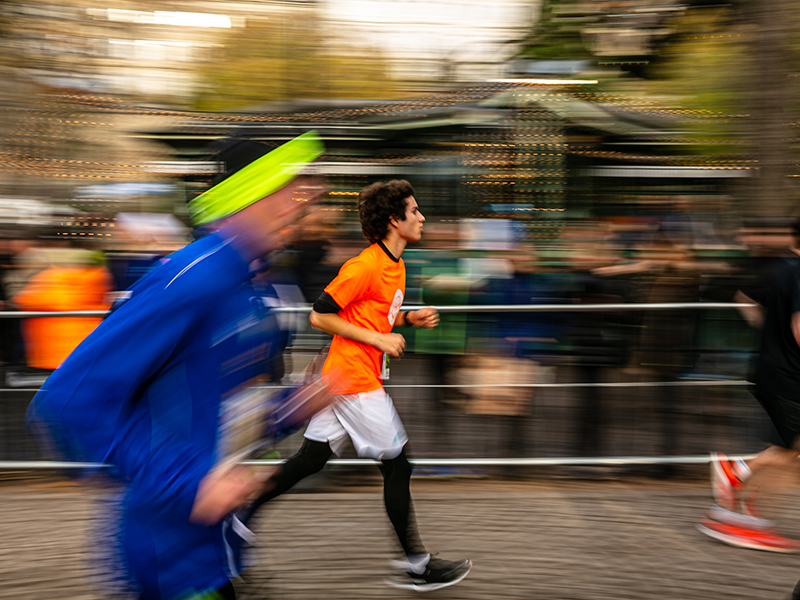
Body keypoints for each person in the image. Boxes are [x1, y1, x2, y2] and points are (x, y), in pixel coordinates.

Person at [26, 131, 339, 600]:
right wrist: (189, 483)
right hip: (168, 558)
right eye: (292, 189)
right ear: (253, 192)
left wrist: (292, 407)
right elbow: (68, 400)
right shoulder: (193, 278)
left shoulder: (251, 288)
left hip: (216, 551)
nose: (305, 205)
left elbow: (220, 410)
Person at [240, 179, 472, 591]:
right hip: (354, 379)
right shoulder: (364, 266)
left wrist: (406, 319)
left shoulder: (396, 264)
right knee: (399, 465)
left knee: (310, 460)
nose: (422, 217)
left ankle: (240, 520)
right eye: (415, 211)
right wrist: (380, 339)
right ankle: (417, 566)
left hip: (344, 377)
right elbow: (320, 315)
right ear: (393, 220)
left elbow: (373, 316)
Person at [698, 218, 800, 559]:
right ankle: (736, 481)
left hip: (772, 368)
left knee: (789, 453)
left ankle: (745, 514)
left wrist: (769, 334)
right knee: (789, 455)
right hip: (789, 375)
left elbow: (746, 299)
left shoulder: (781, 268)